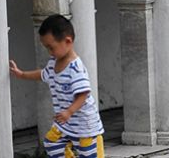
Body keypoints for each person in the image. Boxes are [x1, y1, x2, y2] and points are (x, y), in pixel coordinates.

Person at [9, 14, 105, 157]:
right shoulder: (53, 63)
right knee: (52, 143)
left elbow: (83, 94)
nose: (49, 52)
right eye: (46, 47)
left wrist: (69, 112)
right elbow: (42, 74)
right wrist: (22, 74)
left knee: (88, 153)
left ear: (68, 41)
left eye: (51, 47)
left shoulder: (75, 68)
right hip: (66, 125)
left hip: (85, 127)